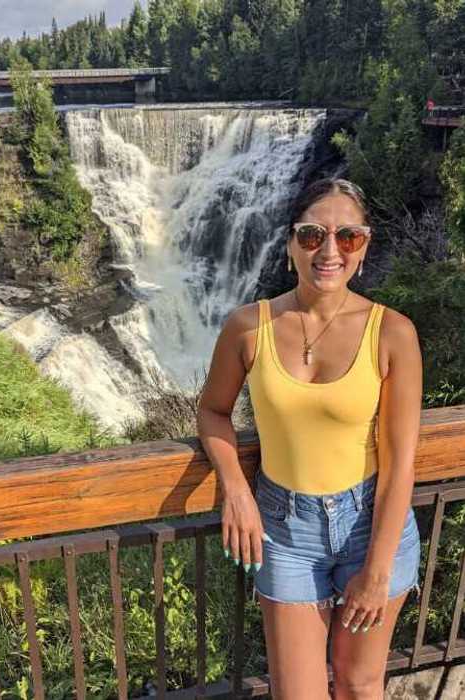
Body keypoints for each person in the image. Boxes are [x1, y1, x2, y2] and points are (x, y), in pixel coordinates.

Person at [196, 178, 423, 698]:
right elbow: (212, 411)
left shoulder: (393, 333)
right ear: (290, 244)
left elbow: (400, 465)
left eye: (348, 236)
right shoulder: (247, 327)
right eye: (312, 234)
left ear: (364, 248)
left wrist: (377, 570)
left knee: (359, 684)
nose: (329, 250)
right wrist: (237, 491)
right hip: (284, 529)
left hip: (372, 526)